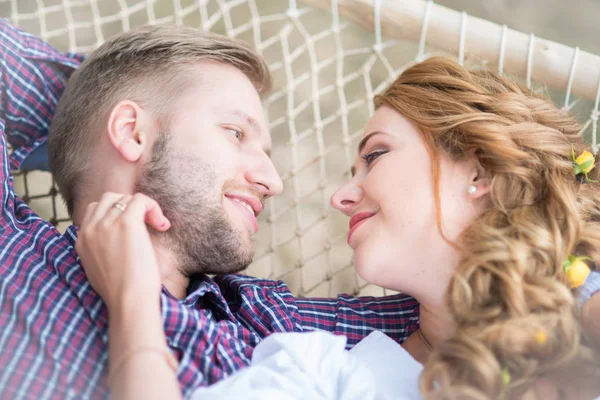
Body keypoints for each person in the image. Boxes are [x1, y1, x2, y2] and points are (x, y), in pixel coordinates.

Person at [77, 57, 600, 399]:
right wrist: (134, 300)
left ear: (481, 172)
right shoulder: (325, 365)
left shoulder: (583, 297)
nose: (340, 196)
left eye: (376, 155)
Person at [0, 19, 421, 400]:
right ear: (131, 131)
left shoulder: (268, 321)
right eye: (236, 133)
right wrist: (83, 106)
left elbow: (457, 305)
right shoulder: (12, 250)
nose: (273, 182)